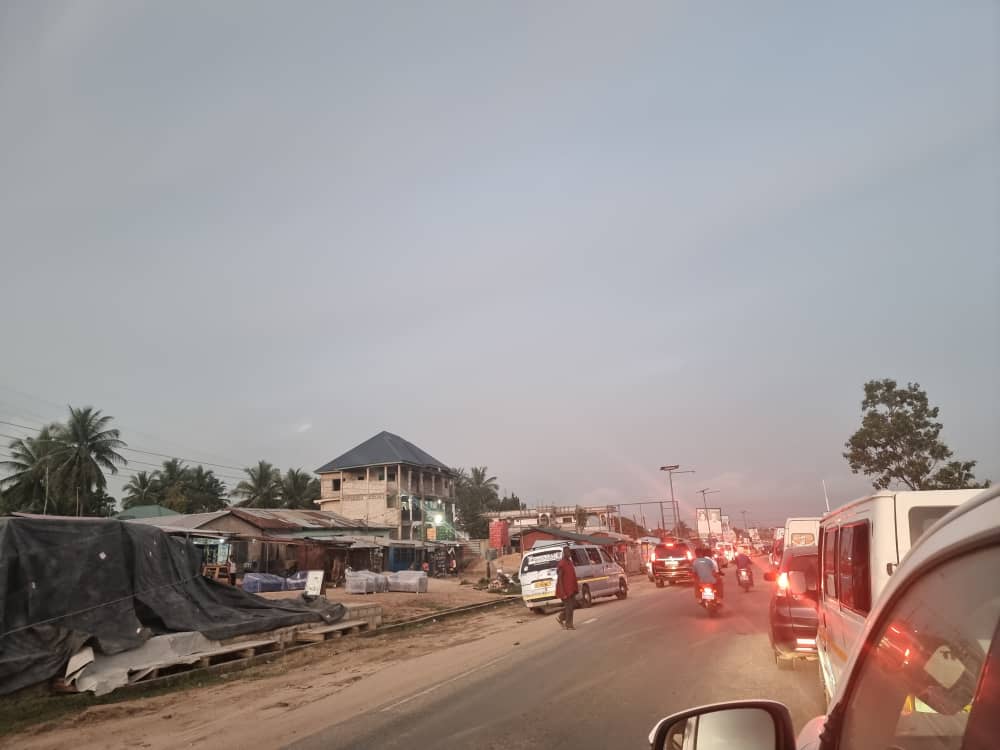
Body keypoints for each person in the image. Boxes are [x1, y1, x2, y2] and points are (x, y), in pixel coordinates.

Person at [555, 546, 578, 630]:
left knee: (572, 606)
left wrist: (575, 588)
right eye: (567, 552)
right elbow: (560, 579)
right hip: (564, 590)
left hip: (571, 589)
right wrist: (563, 592)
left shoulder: (569, 562)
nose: (569, 553)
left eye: (570, 552)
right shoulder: (562, 564)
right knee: (569, 608)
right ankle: (569, 624)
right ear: (564, 553)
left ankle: (561, 617)